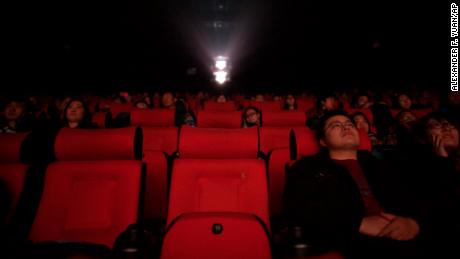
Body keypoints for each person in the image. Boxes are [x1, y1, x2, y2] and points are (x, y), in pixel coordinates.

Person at [284, 111, 425, 258]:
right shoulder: (306, 168)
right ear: (323, 141)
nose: (346, 128)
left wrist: (413, 223)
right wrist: (356, 223)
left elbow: (411, 197)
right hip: (346, 238)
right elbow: (299, 208)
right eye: (336, 126)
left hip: (397, 233)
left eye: (349, 124)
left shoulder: (381, 165)